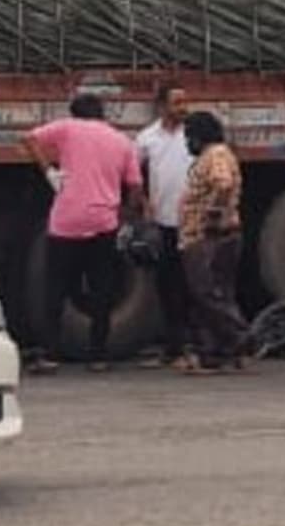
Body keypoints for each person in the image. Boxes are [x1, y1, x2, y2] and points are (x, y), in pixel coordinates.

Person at [21, 93, 144, 375]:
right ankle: (98, 356)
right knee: (102, 289)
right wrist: (126, 214)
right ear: (102, 114)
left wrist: (49, 171)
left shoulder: (67, 129)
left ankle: (50, 355)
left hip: (66, 222)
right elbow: (135, 187)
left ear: (75, 113)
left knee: (55, 290)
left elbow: (28, 139)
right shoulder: (122, 141)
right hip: (103, 222)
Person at [177, 110, 247, 374]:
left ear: (199, 136)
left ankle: (240, 335)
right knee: (219, 294)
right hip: (215, 235)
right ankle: (218, 354)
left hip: (207, 236)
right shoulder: (218, 154)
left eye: (188, 137)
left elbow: (224, 184)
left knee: (206, 294)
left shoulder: (215, 154)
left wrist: (212, 216)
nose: (186, 143)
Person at [135, 83, 194, 371]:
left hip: (193, 222)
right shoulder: (147, 138)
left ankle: (193, 346)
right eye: (177, 103)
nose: (183, 108)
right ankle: (173, 348)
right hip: (164, 222)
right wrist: (144, 204)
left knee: (194, 286)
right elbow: (133, 175)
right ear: (161, 106)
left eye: (185, 102)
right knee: (167, 287)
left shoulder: (193, 135)